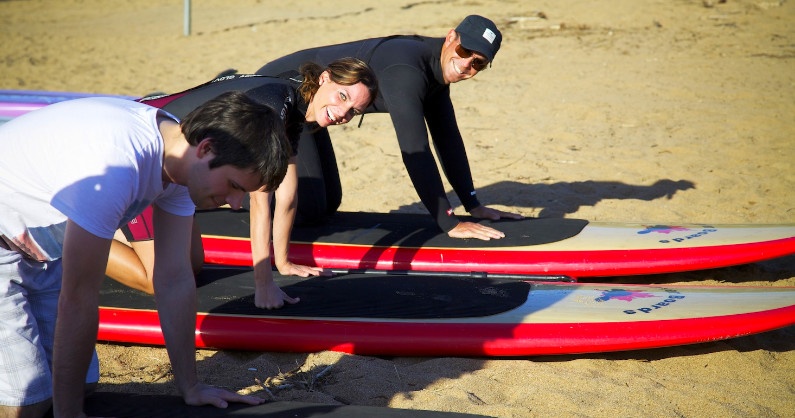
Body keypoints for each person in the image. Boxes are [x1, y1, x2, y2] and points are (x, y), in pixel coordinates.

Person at [0, 91, 290, 417]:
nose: (236, 204)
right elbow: (79, 297)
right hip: (4, 242)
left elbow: (174, 277)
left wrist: (190, 387)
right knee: (28, 404)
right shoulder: (119, 164)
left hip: (39, 253)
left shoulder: (180, 157)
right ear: (206, 148)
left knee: (81, 385)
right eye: (235, 187)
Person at [253, 15, 523, 304]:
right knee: (310, 207)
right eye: (464, 51)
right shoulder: (407, 69)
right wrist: (449, 223)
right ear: (450, 38)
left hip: (320, 108)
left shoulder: (435, 72)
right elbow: (415, 149)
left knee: (328, 203)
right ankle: (242, 188)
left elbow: (447, 138)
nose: (467, 63)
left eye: (478, 62)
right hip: (282, 94)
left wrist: (472, 204)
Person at [106, 58, 378, 310]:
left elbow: (288, 193)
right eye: (343, 96)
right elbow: (260, 199)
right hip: (142, 148)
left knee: (193, 265)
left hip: (177, 165)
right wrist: (264, 285)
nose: (342, 113)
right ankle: (87, 231)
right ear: (325, 78)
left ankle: (102, 224)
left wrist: (284, 263)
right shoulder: (274, 105)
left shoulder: (296, 100)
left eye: (353, 111)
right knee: (157, 280)